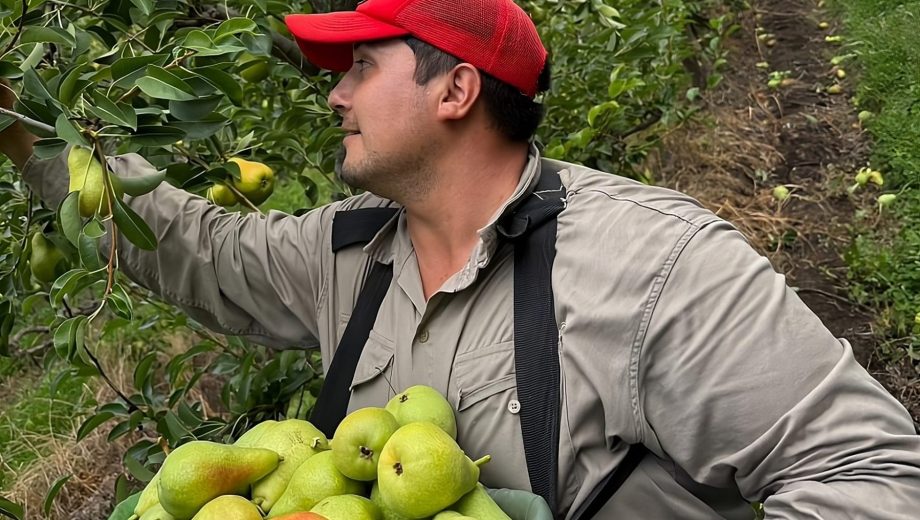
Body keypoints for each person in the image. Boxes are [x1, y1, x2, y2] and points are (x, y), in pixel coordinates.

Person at [2, 0, 920, 518]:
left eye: (360, 65)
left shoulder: (649, 262)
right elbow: (191, 245)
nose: (334, 95)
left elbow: (872, 475)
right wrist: (20, 127)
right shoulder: (345, 251)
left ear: (456, 88)